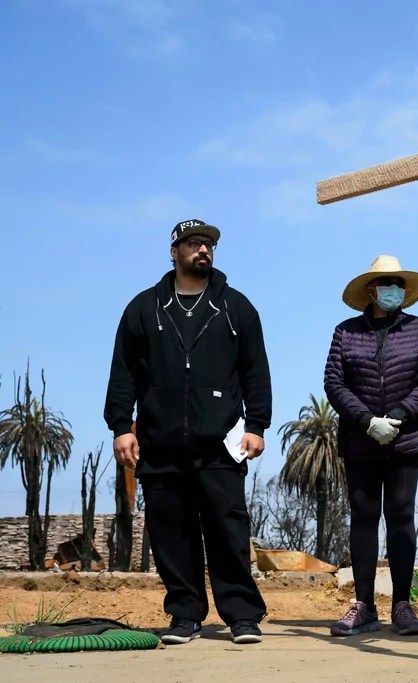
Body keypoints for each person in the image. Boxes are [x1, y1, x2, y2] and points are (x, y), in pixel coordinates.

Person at [104, 219, 272, 645]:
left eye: (209, 244)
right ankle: (184, 614)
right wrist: (121, 425)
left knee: (227, 531)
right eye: (194, 243)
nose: (203, 250)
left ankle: (242, 616)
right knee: (170, 533)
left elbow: (256, 371)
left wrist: (257, 424)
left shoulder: (236, 307)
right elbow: (123, 371)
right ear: (173, 251)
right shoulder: (143, 308)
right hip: (159, 443)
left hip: (221, 443)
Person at [323, 255, 418, 637]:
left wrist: (399, 415)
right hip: (360, 439)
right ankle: (364, 605)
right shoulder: (345, 332)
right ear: (371, 290)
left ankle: (403, 604)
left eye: (400, 283)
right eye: (387, 282)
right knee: (364, 516)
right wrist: (368, 420)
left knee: (401, 515)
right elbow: (334, 383)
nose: (394, 290)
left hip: (407, 439)